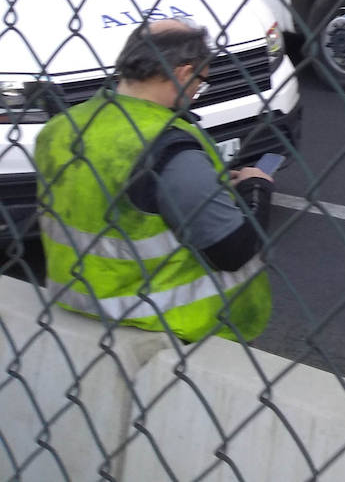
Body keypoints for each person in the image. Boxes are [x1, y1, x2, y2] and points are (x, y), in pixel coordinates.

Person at [35, 19, 274, 342]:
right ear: (183, 73)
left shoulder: (61, 127)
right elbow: (233, 250)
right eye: (200, 82)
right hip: (170, 328)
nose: (197, 93)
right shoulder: (168, 145)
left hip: (78, 305)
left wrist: (202, 187)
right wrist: (255, 187)